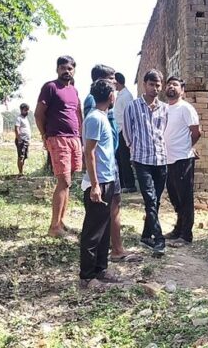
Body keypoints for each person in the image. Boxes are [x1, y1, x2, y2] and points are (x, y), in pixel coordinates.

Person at [84, 64, 138, 263]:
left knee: (113, 206)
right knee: (102, 214)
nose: (115, 82)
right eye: (112, 78)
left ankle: (113, 251)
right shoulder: (94, 106)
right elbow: (90, 147)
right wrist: (94, 183)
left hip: (109, 161)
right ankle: (103, 258)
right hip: (102, 166)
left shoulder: (104, 108)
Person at [79, 79, 120, 289]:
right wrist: (95, 185)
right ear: (111, 96)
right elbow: (89, 152)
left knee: (103, 230)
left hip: (107, 180)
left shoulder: (102, 117)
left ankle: (100, 269)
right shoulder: (95, 118)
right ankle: (87, 276)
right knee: (93, 232)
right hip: (99, 183)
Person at [34, 55, 83, 238]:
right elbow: (39, 114)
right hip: (57, 138)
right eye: (63, 68)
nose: (66, 71)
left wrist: (80, 137)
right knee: (63, 181)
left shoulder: (74, 91)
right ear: (57, 69)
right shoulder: (50, 87)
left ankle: (61, 222)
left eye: (69, 68)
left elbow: (78, 114)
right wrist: (44, 135)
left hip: (74, 139)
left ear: (74, 70)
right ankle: (54, 227)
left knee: (68, 182)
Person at [123, 69, 168, 257]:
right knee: (149, 199)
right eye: (151, 84)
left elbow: (164, 131)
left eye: (158, 85)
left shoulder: (164, 108)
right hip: (141, 160)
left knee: (156, 200)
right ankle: (159, 239)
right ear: (144, 85)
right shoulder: (132, 107)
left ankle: (145, 235)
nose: (155, 88)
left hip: (161, 159)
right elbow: (127, 132)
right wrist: (134, 149)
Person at [163, 76, 201, 247]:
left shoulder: (185, 108)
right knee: (174, 196)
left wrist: (187, 147)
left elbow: (196, 132)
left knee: (185, 198)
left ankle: (186, 235)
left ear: (182, 90)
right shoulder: (164, 108)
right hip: (167, 159)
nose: (171, 86)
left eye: (175, 84)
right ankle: (178, 229)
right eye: (169, 84)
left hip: (183, 158)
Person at [113, 72, 137, 193]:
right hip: (119, 129)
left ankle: (130, 184)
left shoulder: (126, 96)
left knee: (124, 158)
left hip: (124, 130)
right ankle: (122, 183)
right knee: (119, 158)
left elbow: (130, 115)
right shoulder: (120, 95)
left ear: (117, 82)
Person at [14, 103, 31, 176]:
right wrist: (19, 139)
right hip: (21, 140)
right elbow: (16, 129)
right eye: (25, 110)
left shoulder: (25, 119)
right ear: (21, 110)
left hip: (26, 140)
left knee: (24, 157)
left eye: (28, 110)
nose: (27, 111)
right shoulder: (19, 118)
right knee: (20, 156)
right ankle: (20, 173)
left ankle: (22, 172)